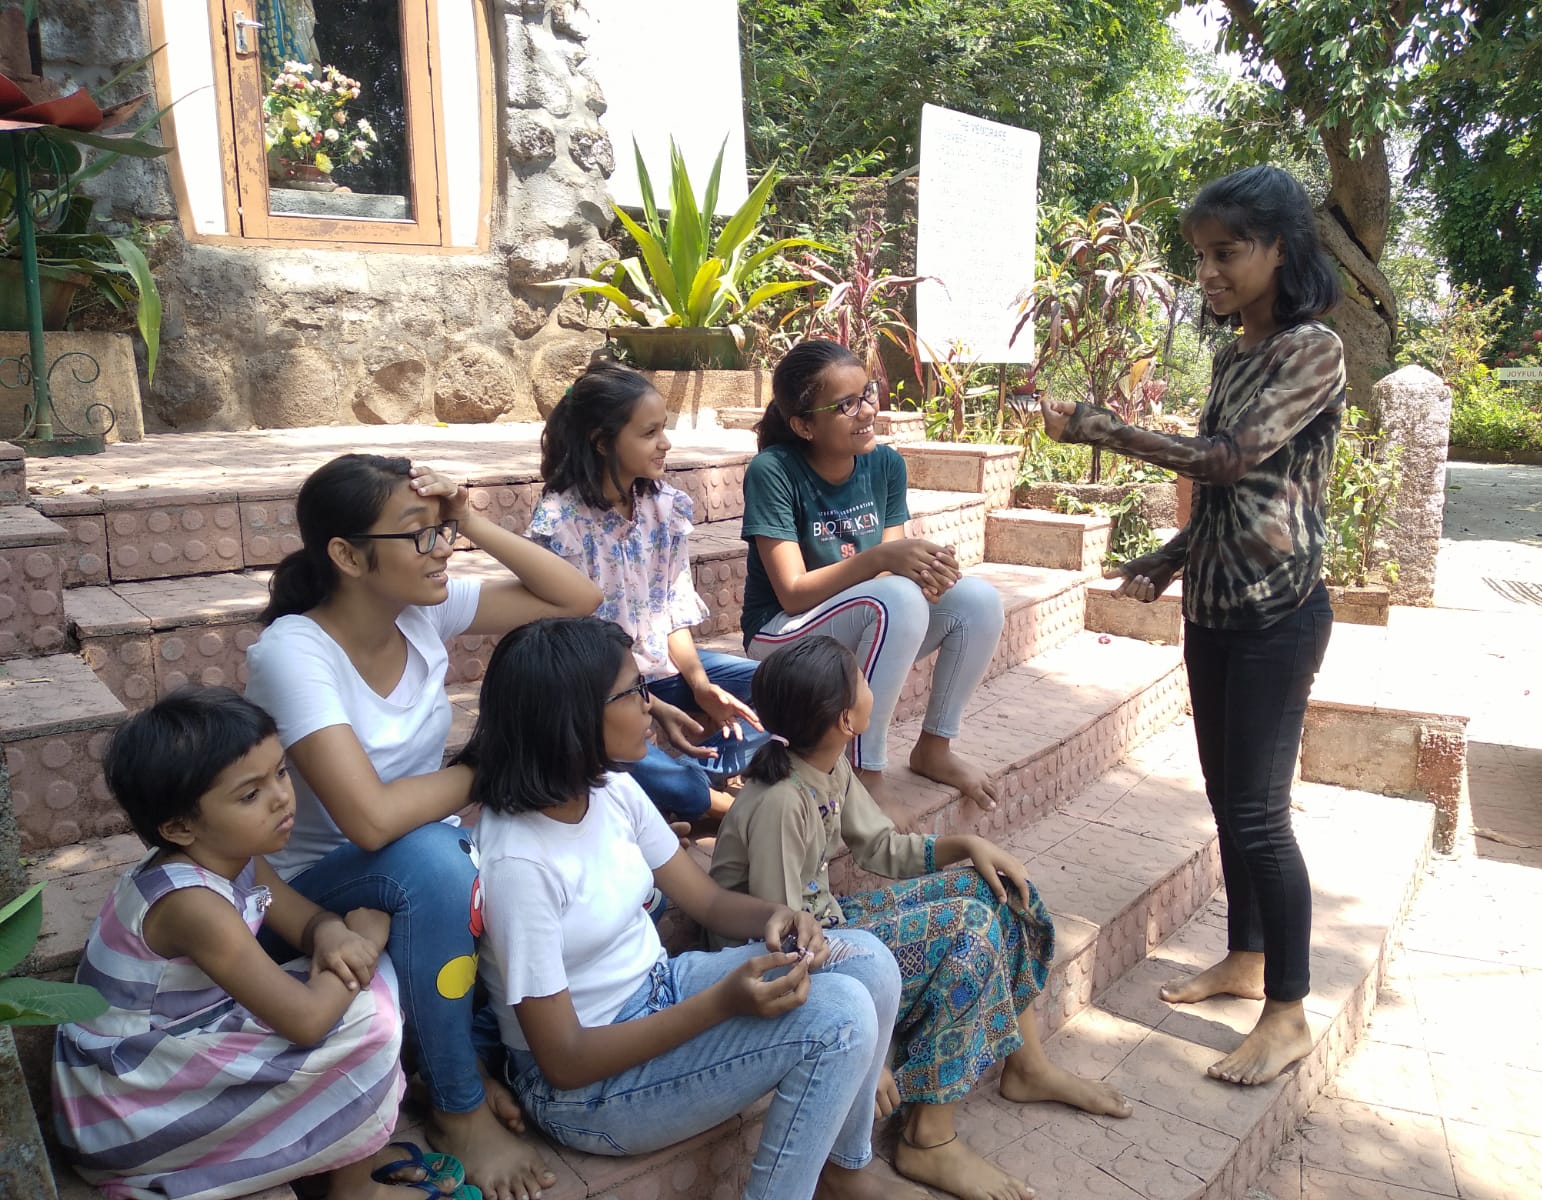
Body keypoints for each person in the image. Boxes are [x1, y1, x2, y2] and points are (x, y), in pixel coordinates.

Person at [1041, 164, 1345, 1086]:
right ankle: (1247, 957)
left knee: (1259, 815)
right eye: (1200, 256)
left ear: (1278, 250)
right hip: (1214, 607)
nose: (1208, 272)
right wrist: (1167, 561)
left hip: (1279, 614)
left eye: (1227, 253)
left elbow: (1225, 460)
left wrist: (1098, 427)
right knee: (1225, 797)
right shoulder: (1233, 356)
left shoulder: (1312, 350)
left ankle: (1288, 1012)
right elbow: (1228, 499)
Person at [458, 617, 922, 1200]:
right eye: (633, 692)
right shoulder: (519, 863)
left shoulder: (608, 789)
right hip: (587, 1092)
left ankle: (842, 1169)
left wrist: (775, 917)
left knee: (869, 962)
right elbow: (564, 1061)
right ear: (571, 719)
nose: (649, 705)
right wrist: (721, 1003)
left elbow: (706, 899)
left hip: (659, 990)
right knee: (841, 1019)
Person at [244, 452, 603, 1200]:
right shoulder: (295, 652)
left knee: (539, 840)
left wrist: (469, 517)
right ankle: (457, 1106)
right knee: (439, 860)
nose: (442, 550)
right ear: (348, 556)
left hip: (413, 862)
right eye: (420, 534)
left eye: (443, 531)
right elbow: (369, 819)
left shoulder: (421, 608)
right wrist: (499, 764)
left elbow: (577, 597)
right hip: (310, 891)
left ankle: (462, 1052)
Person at [710, 635, 1132, 1200]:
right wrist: (864, 1045)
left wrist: (966, 846)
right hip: (772, 962)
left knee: (998, 891)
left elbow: (882, 848)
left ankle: (1027, 1066)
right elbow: (783, 943)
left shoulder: (826, 766)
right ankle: (928, 1137)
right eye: (862, 681)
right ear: (845, 720)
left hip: (827, 928)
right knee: (970, 929)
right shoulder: (781, 803)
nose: (871, 686)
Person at [52, 688, 431, 1200]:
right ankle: (354, 1187)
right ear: (180, 827)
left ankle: (343, 1146)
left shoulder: (233, 855)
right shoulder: (191, 904)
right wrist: (365, 936)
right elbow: (306, 1022)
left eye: (281, 772)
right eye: (250, 794)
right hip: (125, 1107)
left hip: (173, 1047)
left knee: (352, 982)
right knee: (369, 1017)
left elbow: (306, 920)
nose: (281, 797)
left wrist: (332, 932)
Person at [741, 340, 1005, 829]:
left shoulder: (885, 464)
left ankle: (935, 747)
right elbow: (792, 592)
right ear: (803, 425)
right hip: (781, 638)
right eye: (845, 405)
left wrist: (925, 571)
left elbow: (891, 577)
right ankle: (863, 773)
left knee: (977, 601)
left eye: (867, 393)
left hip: (855, 623)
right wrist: (883, 559)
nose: (866, 411)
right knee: (897, 599)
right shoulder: (773, 471)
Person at [528, 362, 768, 824]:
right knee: (598, 743)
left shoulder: (665, 506)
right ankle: (696, 798)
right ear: (602, 442)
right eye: (649, 432)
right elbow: (573, 655)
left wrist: (700, 686)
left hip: (662, 671)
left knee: (784, 687)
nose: (666, 442)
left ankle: (682, 788)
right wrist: (650, 708)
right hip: (600, 690)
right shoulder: (560, 523)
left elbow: (670, 610)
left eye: (664, 428)